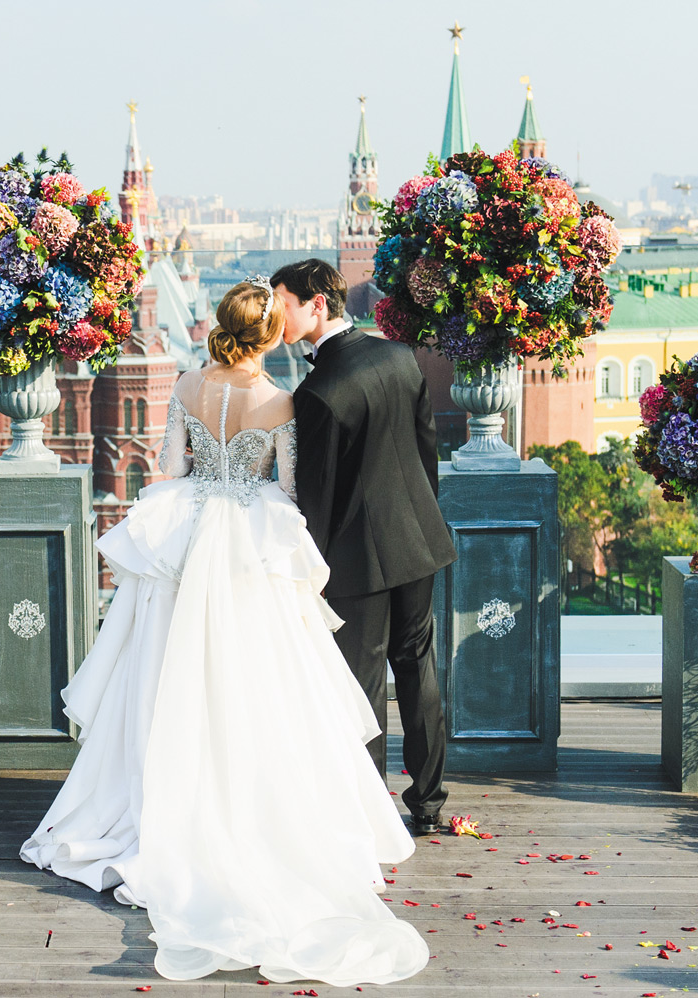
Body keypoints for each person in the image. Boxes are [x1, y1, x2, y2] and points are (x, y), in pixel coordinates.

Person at [21, 279, 427, 986]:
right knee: (255, 676)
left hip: (184, 535)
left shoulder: (183, 384)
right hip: (250, 543)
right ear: (270, 335)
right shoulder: (280, 401)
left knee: (167, 669)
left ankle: (159, 787)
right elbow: (294, 489)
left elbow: (173, 469)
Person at [272, 258, 457, 836]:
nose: (277, 313)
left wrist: (309, 571)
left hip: (359, 559)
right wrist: (422, 518)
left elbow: (316, 500)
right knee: (418, 665)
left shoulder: (319, 392)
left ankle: (370, 812)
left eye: (284, 302)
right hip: (421, 539)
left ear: (316, 304)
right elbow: (427, 454)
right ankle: (427, 805)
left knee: (363, 681)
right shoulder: (400, 356)